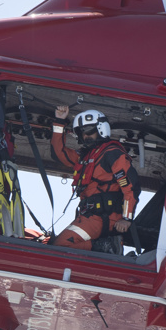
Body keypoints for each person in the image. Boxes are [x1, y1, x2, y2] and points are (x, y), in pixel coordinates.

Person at [49, 105, 137, 249]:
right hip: (89, 215)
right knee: (54, 245)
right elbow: (58, 153)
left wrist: (127, 219)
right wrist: (59, 121)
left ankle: (106, 246)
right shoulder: (84, 156)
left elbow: (130, 187)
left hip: (104, 217)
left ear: (101, 129)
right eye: (82, 133)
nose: (86, 136)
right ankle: (101, 248)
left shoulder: (112, 153)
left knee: (60, 246)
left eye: (90, 131)